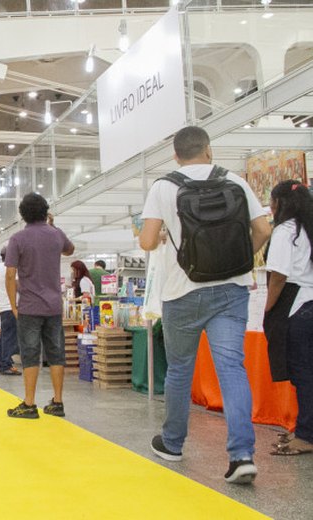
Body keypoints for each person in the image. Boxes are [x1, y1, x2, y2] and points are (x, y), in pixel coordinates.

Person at [139, 126, 270, 484]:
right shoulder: (235, 180)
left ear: (176, 156)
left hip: (182, 291)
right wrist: (243, 259)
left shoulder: (164, 186)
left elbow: (148, 240)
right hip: (232, 289)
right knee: (232, 368)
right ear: (209, 151)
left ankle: (172, 443)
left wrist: (165, 233)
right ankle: (241, 455)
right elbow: (263, 228)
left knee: (180, 368)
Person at [5, 192, 74, 420]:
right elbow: (70, 250)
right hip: (54, 306)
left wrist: (14, 305)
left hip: (30, 306)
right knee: (56, 353)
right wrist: (54, 226)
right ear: (45, 211)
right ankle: (58, 401)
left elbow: (10, 274)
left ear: (23, 214)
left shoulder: (17, 239)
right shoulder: (55, 234)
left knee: (30, 354)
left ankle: (29, 403)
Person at [264, 180, 313, 456]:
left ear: (280, 204)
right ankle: (305, 428)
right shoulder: (308, 228)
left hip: (297, 306)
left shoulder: (285, 231)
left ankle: (306, 435)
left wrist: (269, 308)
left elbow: (279, 277)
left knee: (303, 372)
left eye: (272, 203)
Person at [0, 247, 21, 376]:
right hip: (9, 307)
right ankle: (6, 365)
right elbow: (17, 285)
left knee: (5, 337)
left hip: (2, 307)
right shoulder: (8, 269)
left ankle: (3, 363)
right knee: (9, 337)